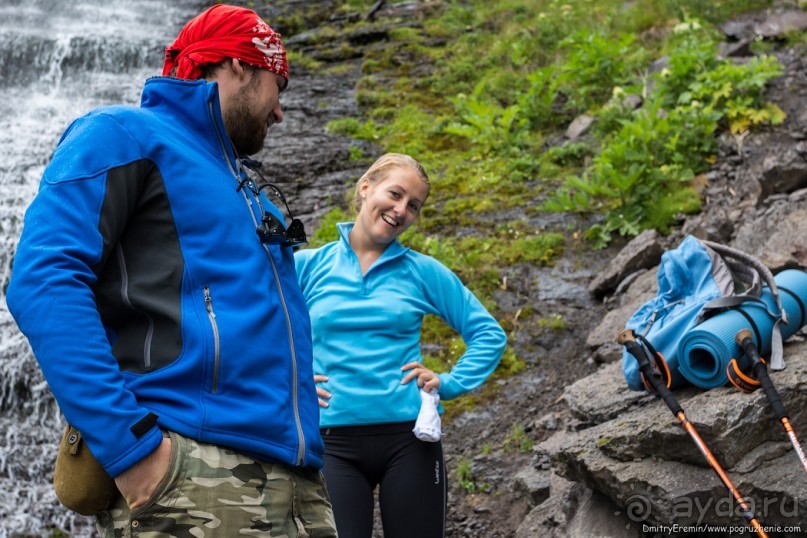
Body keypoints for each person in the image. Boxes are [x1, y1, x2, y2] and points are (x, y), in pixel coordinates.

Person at [6, 5, 336, 536]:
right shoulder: (122, 134)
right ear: (239, 65)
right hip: (193, 476)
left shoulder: (248, 189)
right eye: (280, 86)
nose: (279, 113)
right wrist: (135, 453)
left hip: (301, 484)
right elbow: (43, 279)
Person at [294, 153, 508, 538]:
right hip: (331, 443)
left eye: (414, 206)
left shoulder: (422, 271)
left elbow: (488, 334)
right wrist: (292, 379)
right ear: (365, 188)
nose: (401, 210)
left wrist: (449, 382)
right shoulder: (307, 266)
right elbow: (259, 332)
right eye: (394, 194)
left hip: (410, 441)